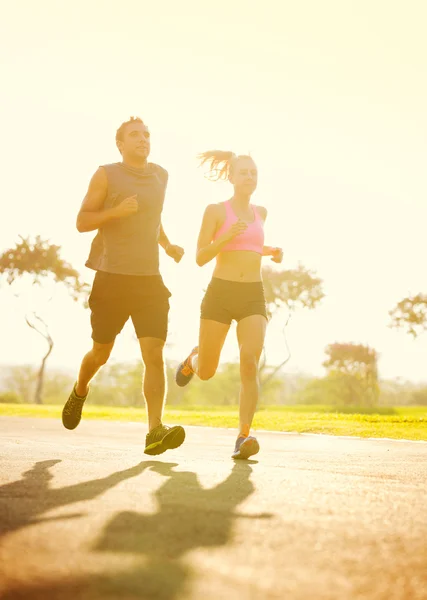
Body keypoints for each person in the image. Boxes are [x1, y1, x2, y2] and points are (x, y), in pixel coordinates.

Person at [62, 117, 186, 457]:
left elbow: (153, 217)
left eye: (147, 135)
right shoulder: (106, 174)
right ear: (120, 144)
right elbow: (82, 221)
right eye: (135, 135)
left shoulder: (161, 175)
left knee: (154, 355)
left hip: (149, 280)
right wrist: (115, 211)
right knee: (101, 353)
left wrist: (168, 244)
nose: (143, 140)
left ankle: (154, 430)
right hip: (112, 277)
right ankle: (80, 388)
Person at [175, 150, 283, 460]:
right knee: (207, 372)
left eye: (254, 172)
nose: (249, 177)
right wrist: (226, 237)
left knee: (250, 360)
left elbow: (250, 244)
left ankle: (243, 436)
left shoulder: (261, 212)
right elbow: (200, 257)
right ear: (231, 177)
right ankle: (192, 360)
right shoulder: (215, 211)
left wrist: (270, 251)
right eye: (244, 172)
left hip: (252, 294)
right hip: (220, 294)